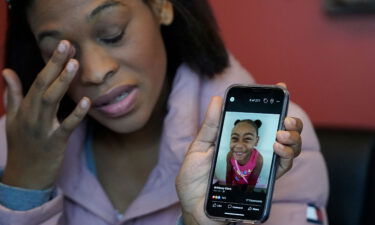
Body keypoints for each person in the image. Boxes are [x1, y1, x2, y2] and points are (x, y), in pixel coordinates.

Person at [0, 0, 328, 224]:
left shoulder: (277, 140)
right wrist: (24, 183)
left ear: (160, 6)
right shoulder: (12, 147)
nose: (94, 73)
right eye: (59, 52)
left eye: (112, 33)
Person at [226, 119, 263, 191]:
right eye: (234, 138)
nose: (239, 145)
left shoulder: (258, 160)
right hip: (235, 184)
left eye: (247, 138)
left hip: (247, 185)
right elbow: (228, 174)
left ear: (256, 141)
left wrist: (247, 195)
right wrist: (228, 190)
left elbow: (253, 181)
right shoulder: (230, 155)